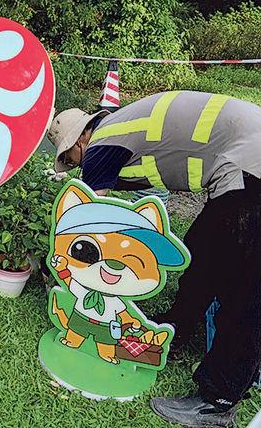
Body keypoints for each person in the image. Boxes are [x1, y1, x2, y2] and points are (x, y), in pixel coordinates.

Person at [48, 91, 261, 428]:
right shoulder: (121, 125)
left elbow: (89, 218)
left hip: (249, 165)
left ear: (80, 138)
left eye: (72, 159)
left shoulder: (103, 142)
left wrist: (65, 272)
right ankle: (174, 332)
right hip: (240, 161)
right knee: (201, 258)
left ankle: (218, 401)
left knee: (243, 286)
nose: (78, 166)